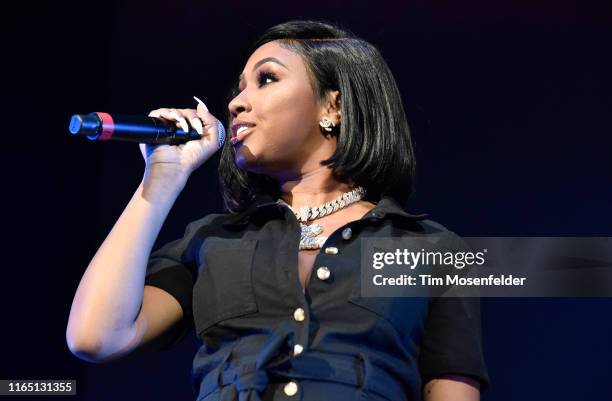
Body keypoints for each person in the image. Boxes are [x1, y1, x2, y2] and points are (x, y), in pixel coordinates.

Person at [67, 20, 489, 401]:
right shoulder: (211, 241)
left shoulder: (431, 249)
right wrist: (160, 181)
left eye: (266, 79)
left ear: (333, 107)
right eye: (239, 87)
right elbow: (95, 337)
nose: (236, 103)